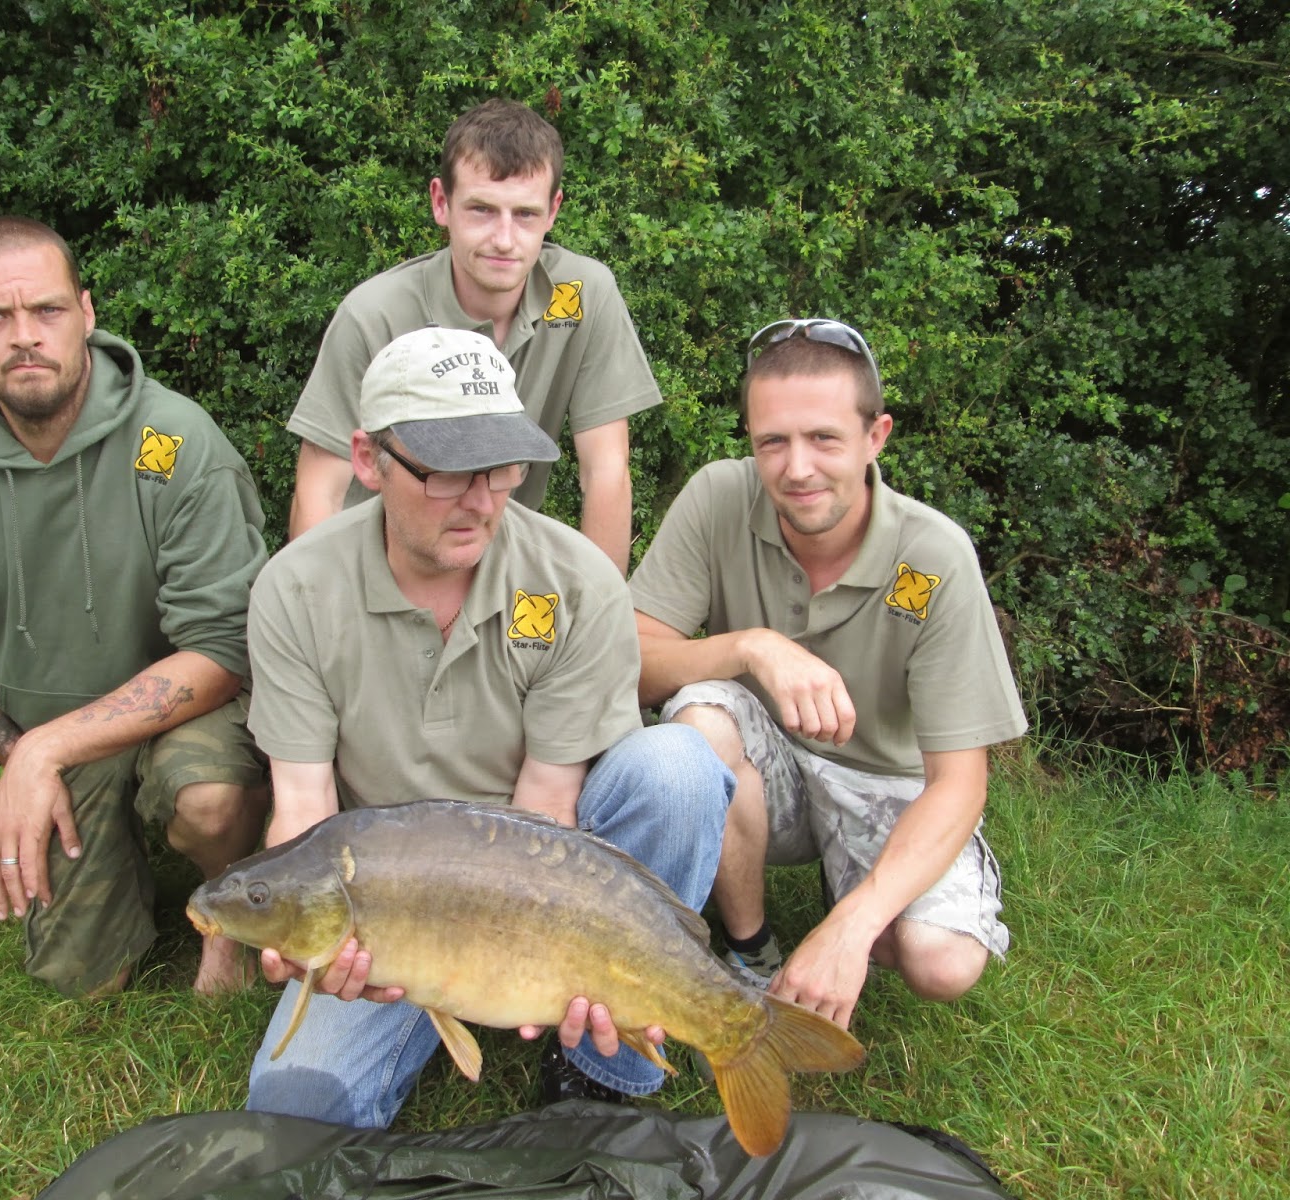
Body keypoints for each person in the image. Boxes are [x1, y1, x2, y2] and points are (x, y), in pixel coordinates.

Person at [244, 325, 734, 1127]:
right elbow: (302, 809)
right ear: (368, 459)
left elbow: (549, 804)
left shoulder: (576, 581)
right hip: (391, 896)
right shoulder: (295, 590)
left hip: (539, 872)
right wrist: (305, 943)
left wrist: (521, 957)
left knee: (676, 766)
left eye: (502, 468)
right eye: (446, 473)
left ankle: (603, 1066)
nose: (481, 501)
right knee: (294, 1109)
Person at [0, 216, 271, 998]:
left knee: (208, 799)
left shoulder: (173, 443)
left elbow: (223, 652)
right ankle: (107, 884)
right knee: (81, 981)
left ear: (85, 312)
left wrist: (40, 753)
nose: (24, 336)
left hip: (190, 710)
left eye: (46, 310)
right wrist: (17, 751)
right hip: (53, 733)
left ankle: (232, 919)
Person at [630, 319, 1027, 1031]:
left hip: (884, 782)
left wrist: (855, 922)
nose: (797, 468)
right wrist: (751, 647)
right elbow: (631, 662)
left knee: (941, 963)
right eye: (772, 442)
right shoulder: (718, 498)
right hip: (767, 765)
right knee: (698, 719)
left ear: (877, 436)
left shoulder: (935, 556)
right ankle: (750, 948)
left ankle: (853, 900)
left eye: (824, 439)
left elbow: (961, 781)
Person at [286, 98, 660, 573]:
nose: (504, 239)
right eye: (482, 209)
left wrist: (600, 609)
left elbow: (606, 471)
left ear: (553, 211)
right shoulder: (374, 315)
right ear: (441, 202)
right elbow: (319, 491)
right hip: (378, 563)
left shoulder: (583, 295)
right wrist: (322, 606)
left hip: (491, 558)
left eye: (525, 214)